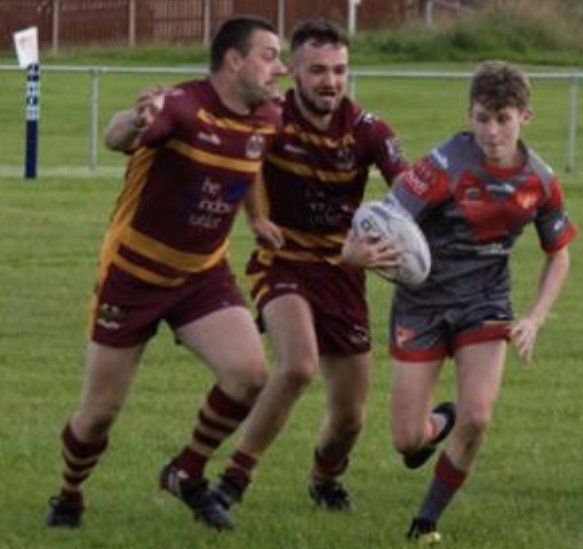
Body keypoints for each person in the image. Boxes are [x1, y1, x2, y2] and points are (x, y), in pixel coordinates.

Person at [44, 15, 286, 531]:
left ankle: (185, 471)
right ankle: (69, 493)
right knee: (100, 413)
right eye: (269, 55)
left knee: (249, 375)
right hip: (132, 275)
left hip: (201, 275)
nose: (279, 67)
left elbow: (253, 161)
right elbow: (117, 136)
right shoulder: (180, 106)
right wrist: (133, 121)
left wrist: (258, 216)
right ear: (234, 60)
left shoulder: (267, 117)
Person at [346, 60, 576, 542]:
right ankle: (440, 419)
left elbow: (559, 257)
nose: (492, 131)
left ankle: (426, 520)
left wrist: (534, 319)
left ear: (525, 118)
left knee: (479, 416)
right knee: (407, 441)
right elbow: (384, 220)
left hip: (485, 301)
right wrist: (358, 253)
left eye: (503, 119)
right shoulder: (443, 167)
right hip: (422, 302)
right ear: (469, 116)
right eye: (482, 118)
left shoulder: (540, 180)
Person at [205, 19, 412, 515]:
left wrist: (389, 238)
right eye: (318, 70)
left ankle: (324, 478)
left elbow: (409, 188)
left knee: (349, 420)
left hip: (345, 272)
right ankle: (234, 480)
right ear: (293, 70)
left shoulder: (368, 130)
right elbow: (244, 165)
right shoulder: (271, 117)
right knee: (298, 365)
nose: (331, 81)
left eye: (340, 70)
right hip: (283, 262)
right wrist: (257, 218)